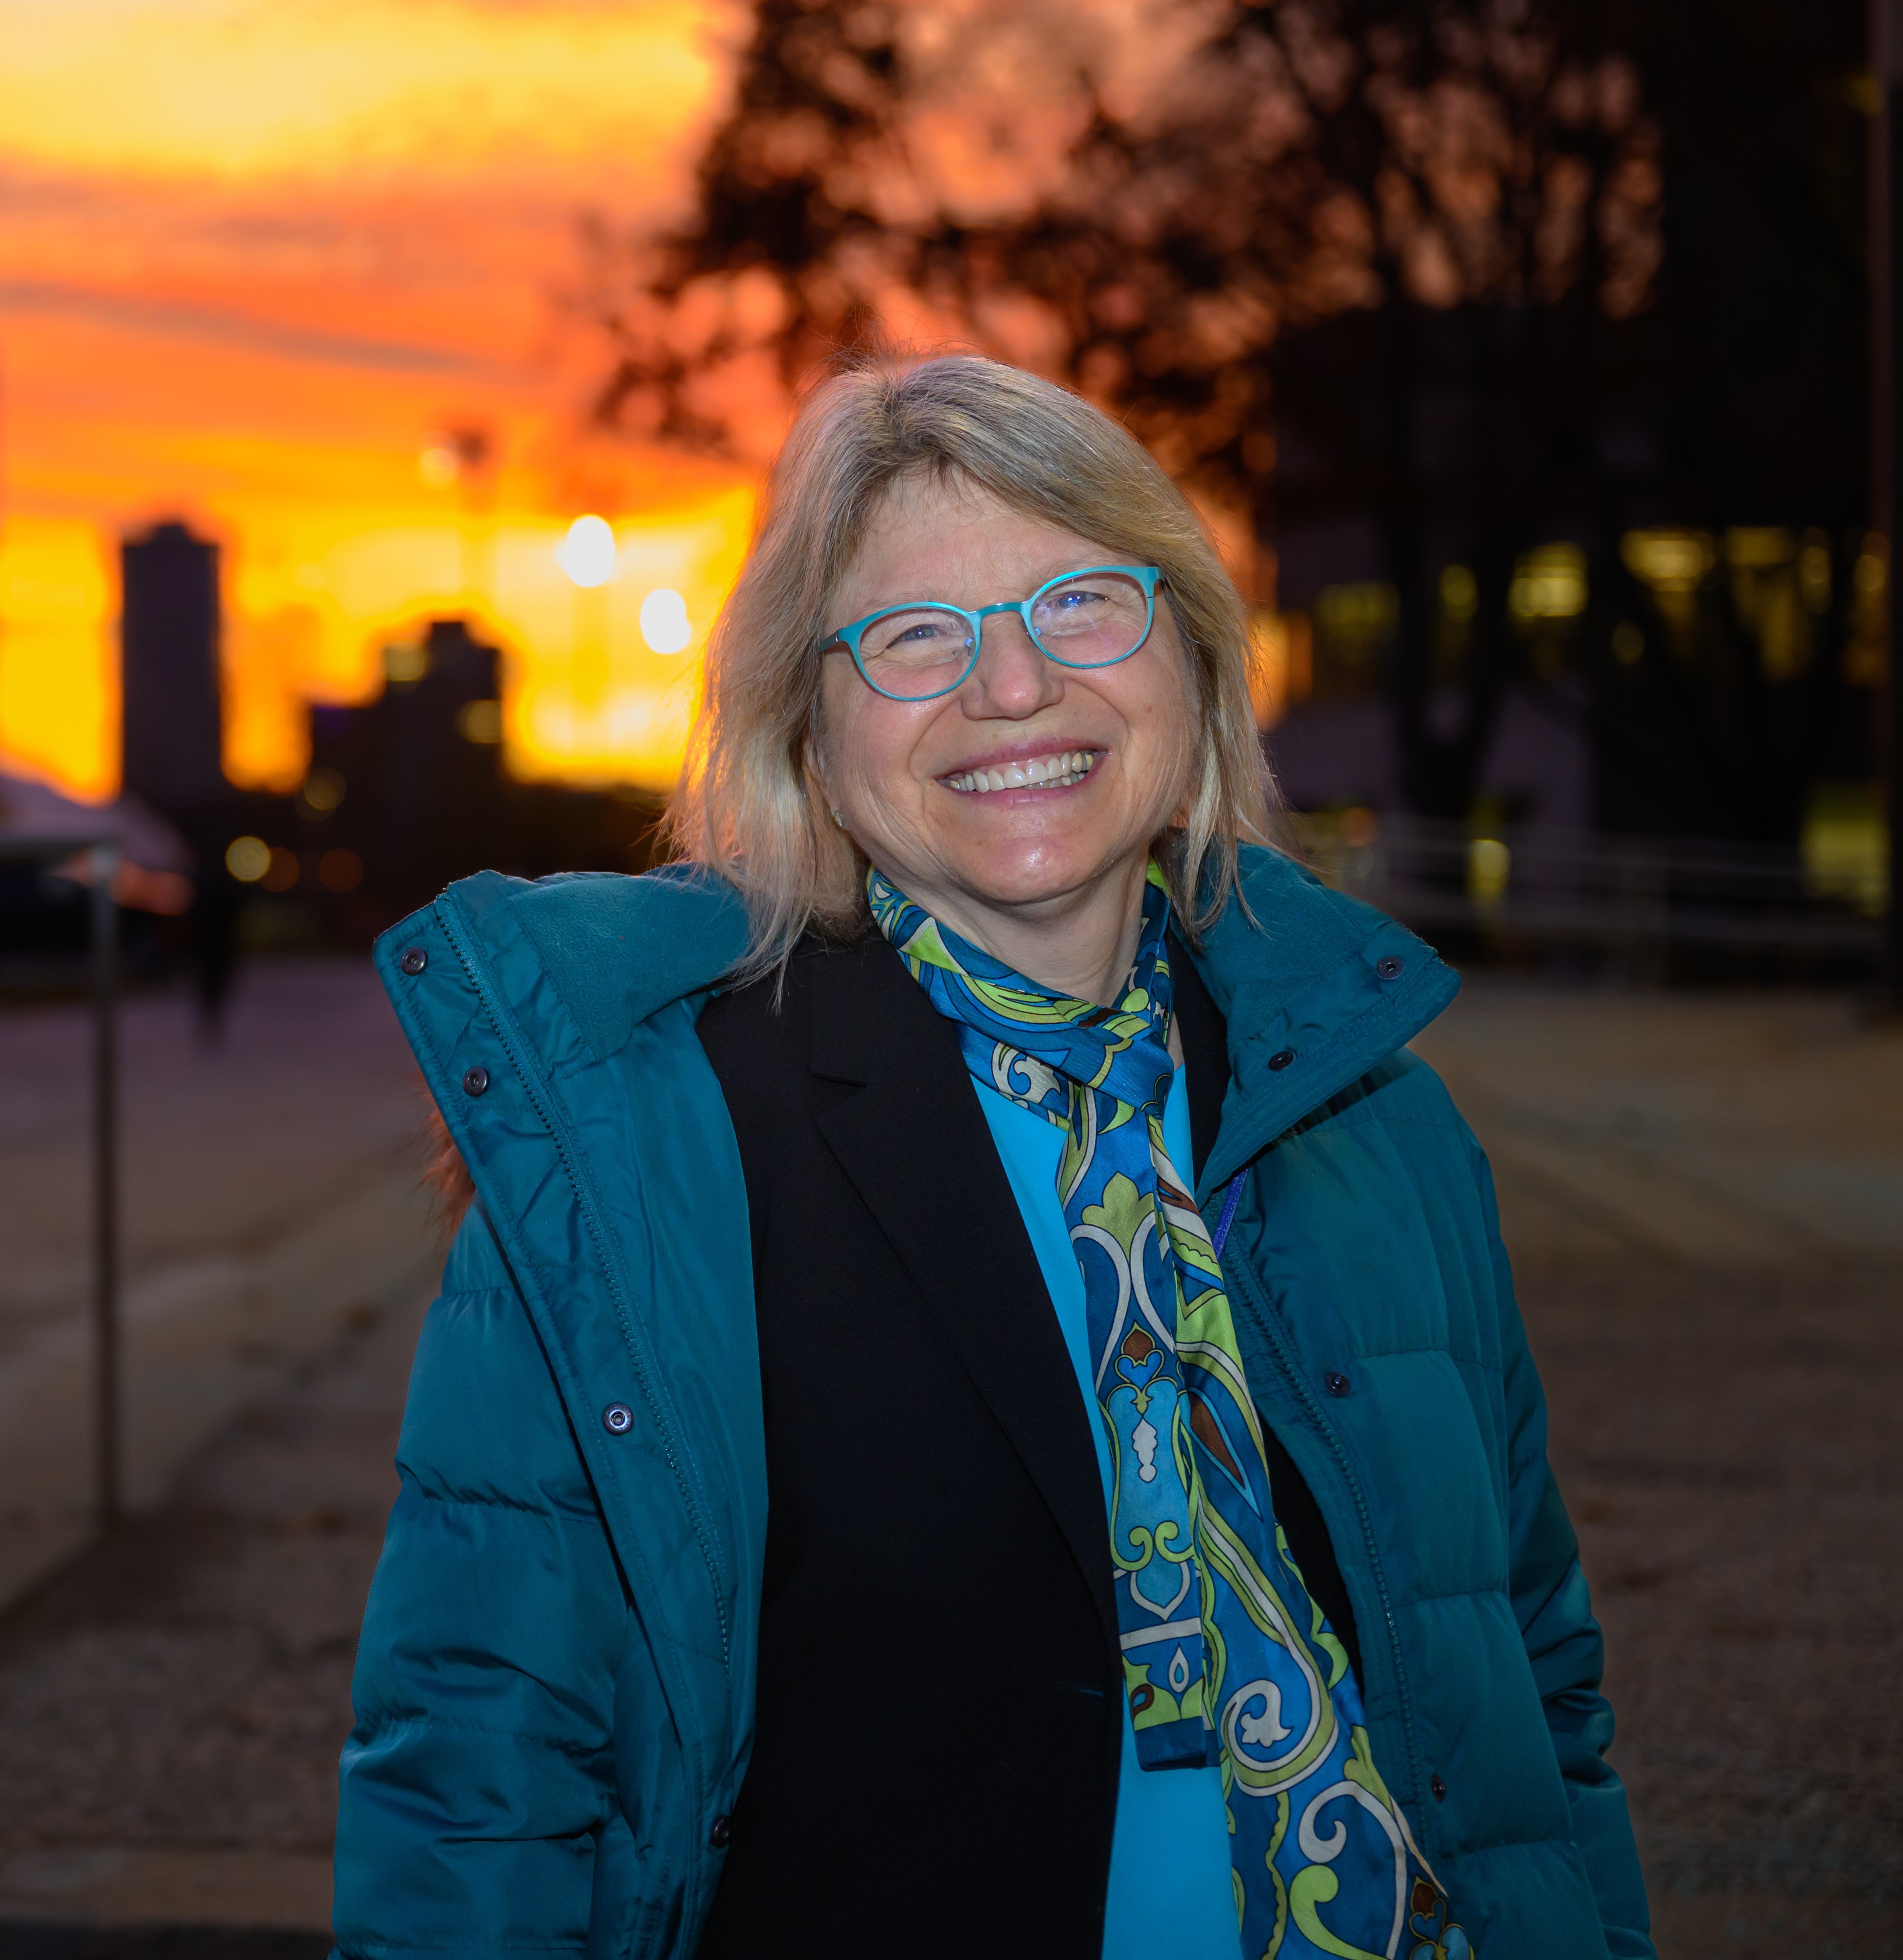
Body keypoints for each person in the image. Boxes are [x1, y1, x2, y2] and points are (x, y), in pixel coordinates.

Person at [331, 354, 1647, 1959]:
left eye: (1081, 604)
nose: (1011, 687)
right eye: (913, 637)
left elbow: (1533, 1696)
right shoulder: (645, 1165)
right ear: (808, 732)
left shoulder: (1376, 1127)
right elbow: (478, 1783)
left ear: (1193, 657)